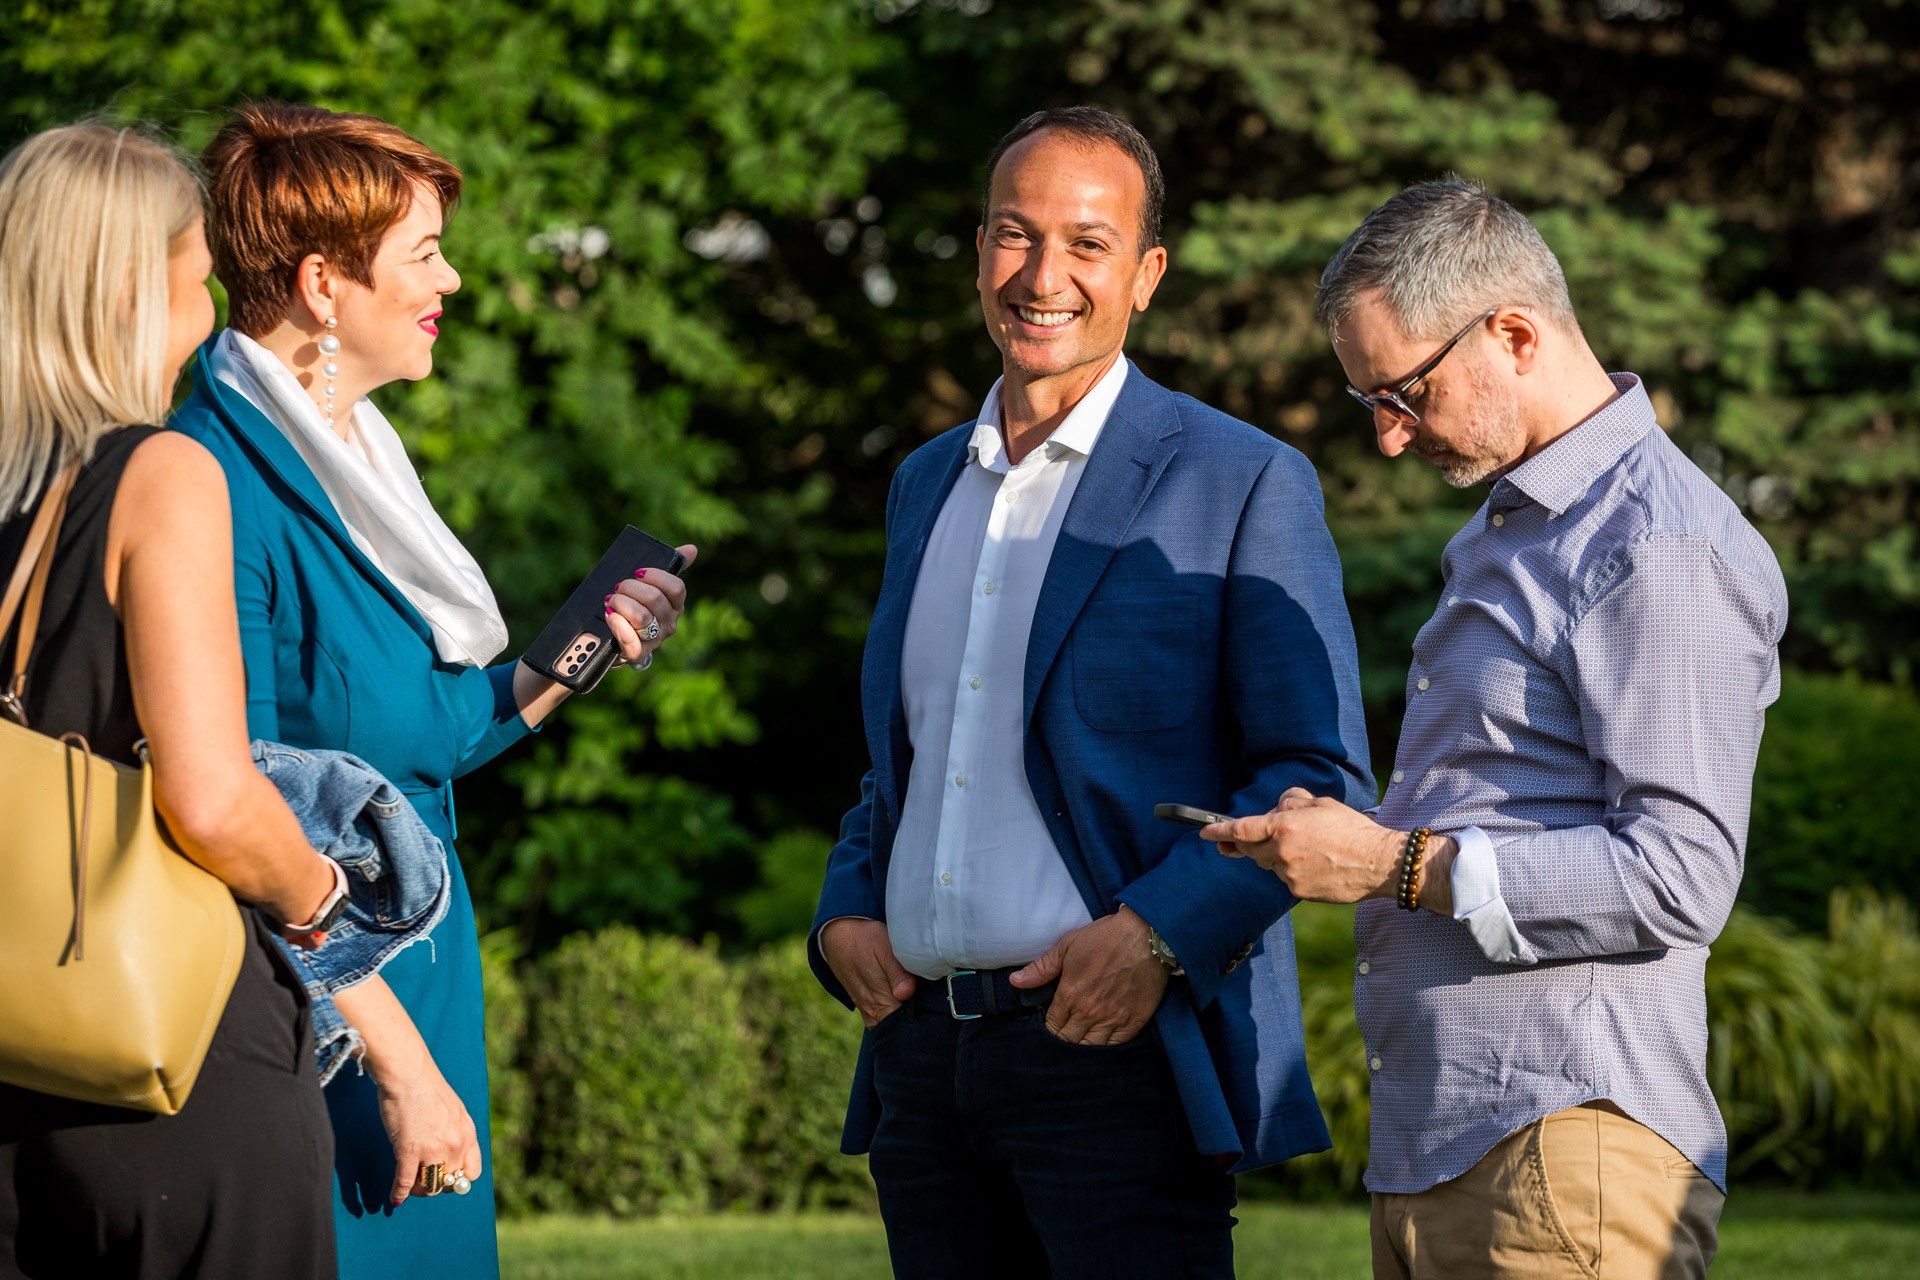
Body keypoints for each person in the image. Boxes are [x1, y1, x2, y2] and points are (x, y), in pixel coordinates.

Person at [809, 106, 1374, 1278]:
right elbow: (912, 750)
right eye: (1015, 235)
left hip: (1118, 1051)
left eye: (1087, 243)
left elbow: (1314, 775)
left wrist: (1159, 935)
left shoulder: (1242, 479)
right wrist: (846, 907)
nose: (1042, 275)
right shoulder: (924, 482)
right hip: (922, 1062)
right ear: (979, 250)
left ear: (1147, 274)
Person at [1204, 178, 1787, 1279]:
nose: (1387, 436)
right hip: (1465, 1146)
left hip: (1566, 1150)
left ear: (1514, 334)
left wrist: (1393, 863)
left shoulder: (1654, 545)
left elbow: (1681, 875)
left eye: (1405, 392)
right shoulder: (1517, 528)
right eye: (1368, 400)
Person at [169, 101, 694, 1278]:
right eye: (424, 254)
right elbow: (236, 806)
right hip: (321, 1022)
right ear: (323, 284)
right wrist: (397, 1059)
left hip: (419, 977)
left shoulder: (353, 458)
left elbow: (431, 731)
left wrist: (590, 641)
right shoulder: (212, 478)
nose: (450, 280)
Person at [0, 124, 338, 1277]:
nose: (213, 304)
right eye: (200, 272)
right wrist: (319, 891)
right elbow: (211, 798)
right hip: (165, 1053)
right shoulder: (160, 472)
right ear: (136, 286)